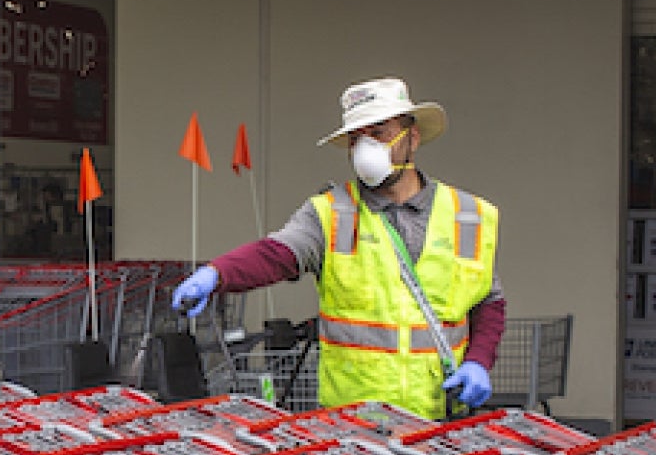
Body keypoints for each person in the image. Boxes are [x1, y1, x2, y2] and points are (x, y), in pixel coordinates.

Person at [172, 77, 504, 419]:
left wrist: (478, 362)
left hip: (441, 421)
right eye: (356, 138)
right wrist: (217, 273)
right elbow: (278, 254)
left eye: (378, 133)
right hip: (353, 426)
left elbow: (487, 303)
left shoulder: (469, 216)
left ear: (412, 138)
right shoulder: (332, 212)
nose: (365, 147)